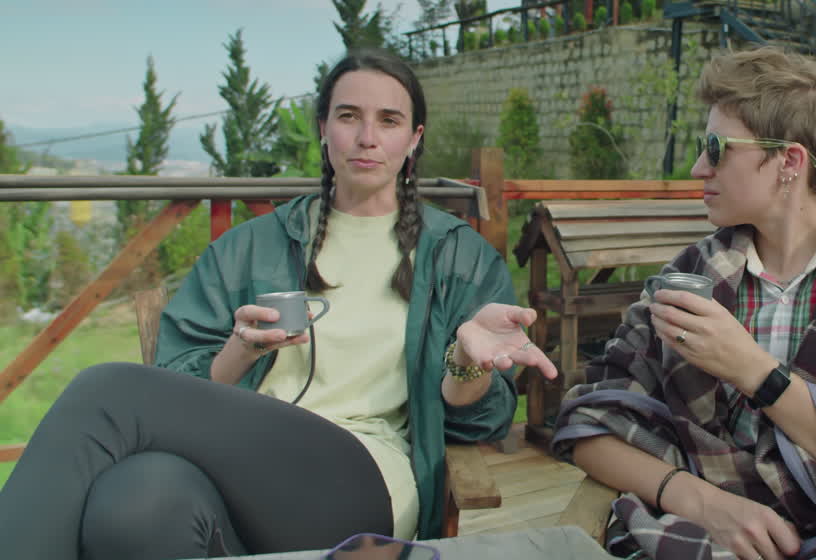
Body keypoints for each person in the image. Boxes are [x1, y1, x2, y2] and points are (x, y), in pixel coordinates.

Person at [0, 48, 557, 560]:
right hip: (232, 481)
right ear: (323, 130)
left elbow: (478, 422)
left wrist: (467, 358)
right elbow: (176, 383)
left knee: (106, 391)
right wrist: (240, 351)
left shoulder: (455, 255)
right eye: (348, 116)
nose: (367, 137)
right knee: (133, 504)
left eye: (388, 121)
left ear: (413, 139)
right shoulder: (248, 247)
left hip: (359, 485)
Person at [552, 47, 816, 560]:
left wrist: (752, 369)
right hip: (699, 535)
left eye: (715, 147)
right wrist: (704, 503)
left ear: (789, 161)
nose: (696, 167)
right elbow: (588, 424)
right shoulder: (689, 279)